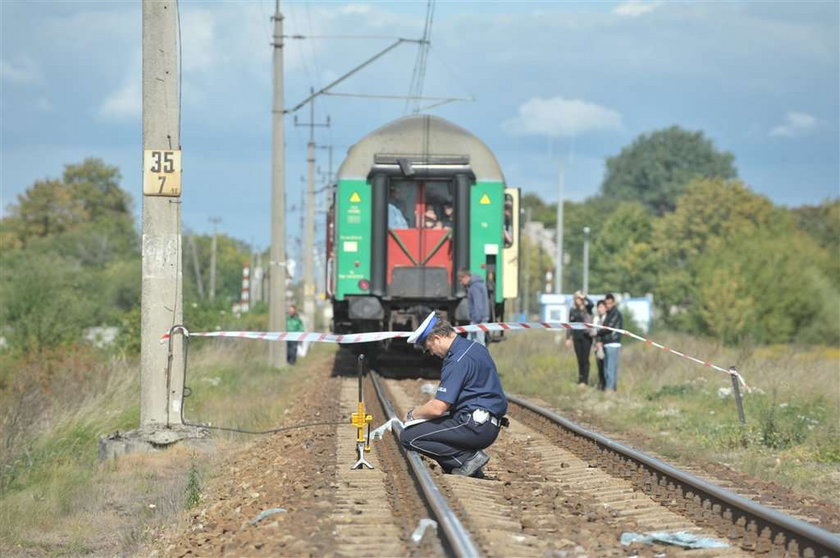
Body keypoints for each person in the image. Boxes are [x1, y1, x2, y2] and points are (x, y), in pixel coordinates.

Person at [400, 312, 508, 478]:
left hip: (473, 426)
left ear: (436, 338)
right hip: (487, 424)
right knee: (430, 428)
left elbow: (438, 408)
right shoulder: (475, 348)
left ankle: (467, 460)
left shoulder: (457, 360)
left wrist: (412, 414)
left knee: (410, 436)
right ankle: (466, 465)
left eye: (429, 348)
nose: (432, 353)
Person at [565, 291, 594, 387]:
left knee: (585, 359)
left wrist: (584, 297)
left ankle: (585, 381)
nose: (578, 300)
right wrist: (568, 338)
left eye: (580, 299)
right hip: (577, 337)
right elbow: (569, 325)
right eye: (577, 298)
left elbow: (591, 303)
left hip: (586, 337)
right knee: (579, 359)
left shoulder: (587, 309)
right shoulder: (573, 310)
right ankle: (580, 379)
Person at [596, 293, 624, 391]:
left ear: (613, 303)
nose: (608, 305)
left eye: (609, 303)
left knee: (610, 368)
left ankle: (610, 388)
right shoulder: (608, 314)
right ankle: (609, 387)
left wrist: (598, 332)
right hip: (606, 342)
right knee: (606, 367)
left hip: (613, 342)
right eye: (606, 303)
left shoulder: (615, 313)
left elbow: (608, 328)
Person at [458, 268, 490, 346]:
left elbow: (478, 304)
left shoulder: (474, 287)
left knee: (479, 343)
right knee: (473, 342)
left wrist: (476, 320)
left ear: (465, 277)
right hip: (478, 319)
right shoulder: (476, 285)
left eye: (461, 280)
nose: (461, 283)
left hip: (478, 319)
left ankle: (480, 357)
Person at [591, 300, 608, 390]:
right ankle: (601, 383)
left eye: (602, 307)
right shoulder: (596, 319)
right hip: (596, 345)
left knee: (606, 365)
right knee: (599, 365)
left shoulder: (607, 318)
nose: (600, 309)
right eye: (599, 307)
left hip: (605, 344)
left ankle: (607, 385)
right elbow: (594, 331)